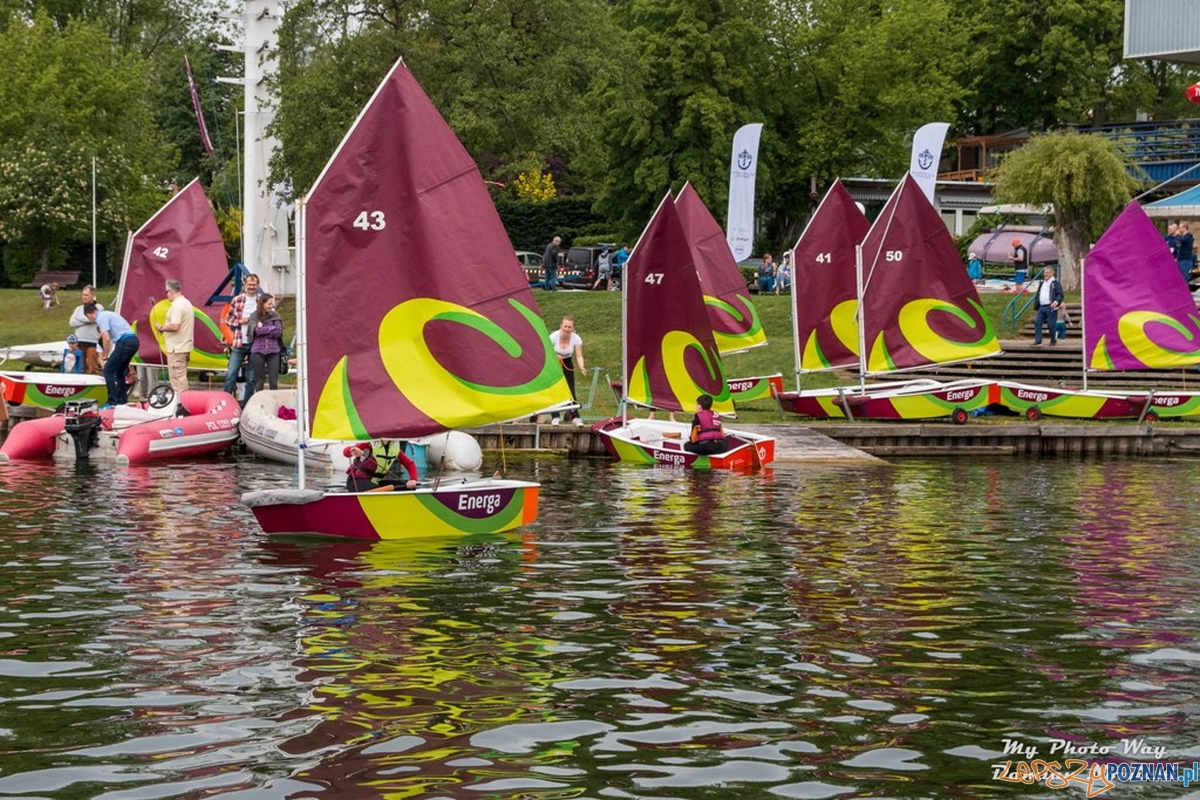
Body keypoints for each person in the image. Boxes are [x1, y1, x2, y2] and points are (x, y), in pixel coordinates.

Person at [85, 302, 138, 406]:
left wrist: (105, 356)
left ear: (90, 314)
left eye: (88, 318)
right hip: (134, 341)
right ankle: (122, 401)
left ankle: (112, 401)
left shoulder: (101, 317)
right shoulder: (109, 314)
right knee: (119, 372)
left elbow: (106, 338)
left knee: (108, 370)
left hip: (125, 342)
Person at [222, 274, 261, 404]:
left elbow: (270, 318)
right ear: (245, 285)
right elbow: (228, 319)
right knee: (231, 374)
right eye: (249, 284)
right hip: (239, 342)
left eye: (254, 284)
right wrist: (240, 321)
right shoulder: (237, 300)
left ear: (258, 285)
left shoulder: (261, 301)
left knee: (251, 378)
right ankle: (225, 402)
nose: (251, 287)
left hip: (255, 344)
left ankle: (246, 403)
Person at [157, 279, 194, 398]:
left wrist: (162, 328)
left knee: (178, 379)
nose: (166, 294)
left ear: (171, 291)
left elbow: (175, 325)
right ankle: (182, 401)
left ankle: (181, 403)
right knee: (181, 377)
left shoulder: (177, 305)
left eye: (166, 291)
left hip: (176, 348)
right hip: (183, 345)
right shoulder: (186, 302)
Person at [548, 316, 586, 425]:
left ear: (573, 328)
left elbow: (579, 356)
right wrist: (555, 358)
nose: (567, 329)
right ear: (561, 326)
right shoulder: (553, 337)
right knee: (555, 389)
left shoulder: (576, 339)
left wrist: (582, 367)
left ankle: (574, 415)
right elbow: (547, 354)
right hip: (554, 363)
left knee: (571, 389)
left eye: (569, 327)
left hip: (568, 362)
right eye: (565, 326)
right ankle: (555, 416)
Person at [248, 293, 284, 392]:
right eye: (269, 303)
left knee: (273, 381)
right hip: (258, 351)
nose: (271, 306)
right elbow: (255, 331)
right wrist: (271, 328)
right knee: (259, 381)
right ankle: (259, 403)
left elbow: (278, 332)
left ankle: (275, 403)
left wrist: (262, 328)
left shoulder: (275, 316)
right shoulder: (254, 316)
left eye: (272, 304)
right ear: (262, 303)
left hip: (274, 351)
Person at [70, 285, 105, 375]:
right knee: (80, 367)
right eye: (83, 295)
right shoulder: (78, 309)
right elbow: (72, 323)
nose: (84, 297)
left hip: (92, 342)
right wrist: (87, 320)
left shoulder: (99, 307)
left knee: (92, 367)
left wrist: (80, 318)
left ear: (93, 295)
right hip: (79, 341)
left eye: (86, 295)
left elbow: (94, 319)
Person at [1031, 265, 1064, 346]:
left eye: (1048, 273)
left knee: (1051, 324)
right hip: (1042, 307)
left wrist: (1056, 302)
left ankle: (1053, 339)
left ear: (1052, 273)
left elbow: (1060, 294)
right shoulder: (1042, 282)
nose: (1046, 274)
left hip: (1050, 307)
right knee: (1037, 322)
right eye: (1045, 272)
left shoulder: (1055, 283)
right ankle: (1038, 341)